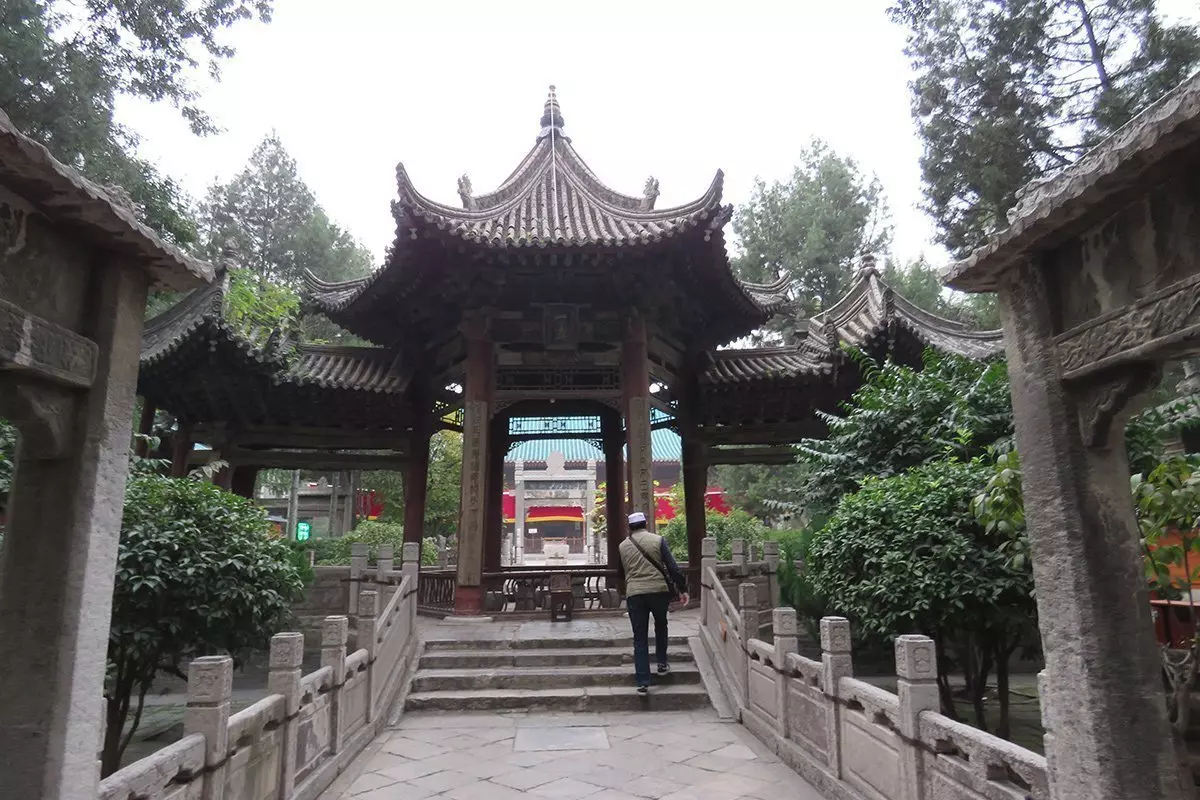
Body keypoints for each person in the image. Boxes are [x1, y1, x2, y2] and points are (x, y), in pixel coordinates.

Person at [616, 511, 690, 694]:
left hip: (635, 593)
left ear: (630, 527)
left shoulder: (623, 546)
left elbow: (621, 573)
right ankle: (662, 663)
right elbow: (672, 567)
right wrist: (682, 589)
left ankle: (642, 680)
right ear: (645, 524)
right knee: (661, 624)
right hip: (658, 591)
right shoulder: (658, 540)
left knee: (639, 637)